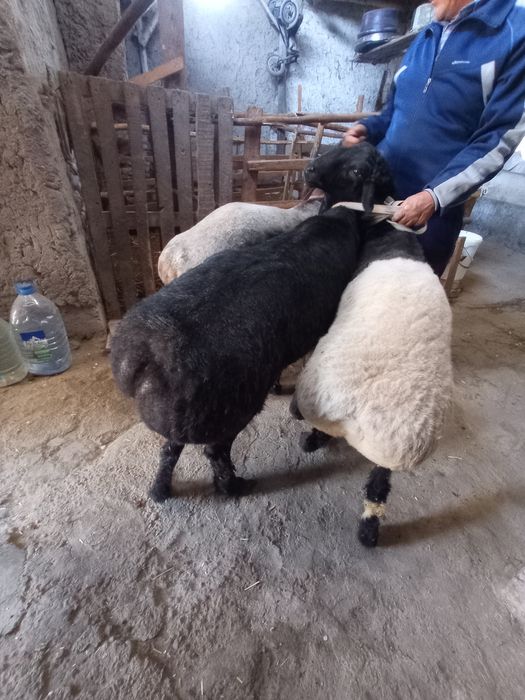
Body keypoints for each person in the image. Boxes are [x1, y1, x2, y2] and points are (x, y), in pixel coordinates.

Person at [343, 0, 525, 276]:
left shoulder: (515, 33)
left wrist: (434, 196)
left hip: (429, 215)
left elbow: (497, 137)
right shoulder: (428, 35)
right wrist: (368, 129)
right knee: (353, 287)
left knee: (404, 297)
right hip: (376, 197)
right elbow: (393, 111)